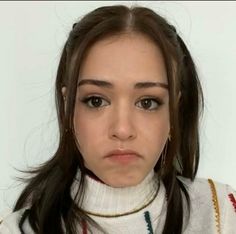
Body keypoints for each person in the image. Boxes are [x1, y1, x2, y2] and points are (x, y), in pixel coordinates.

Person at [0, 4, 235, 234]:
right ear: (68, 106)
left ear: (174, 109)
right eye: (96, 101)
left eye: (147, 102)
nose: (122, 130)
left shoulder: (220, 215)